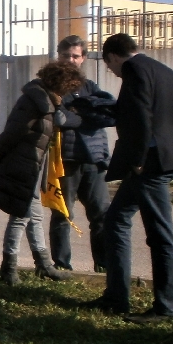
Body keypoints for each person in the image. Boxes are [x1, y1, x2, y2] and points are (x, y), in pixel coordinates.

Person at [84, 34, 173, 323]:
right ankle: (116, 296)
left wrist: (142, 159)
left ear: (112, 57)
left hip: (148, 165)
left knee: (160, 235)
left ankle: (166, 307)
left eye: (109, 67)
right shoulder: (167, 72)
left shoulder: (134, 69)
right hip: (162, 159)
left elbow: (141, 114)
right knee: (116, 219)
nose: (113, 72)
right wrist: (167, 149)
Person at [0, 61, 84, 285]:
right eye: (67, 88)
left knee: (34, 214)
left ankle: (44, 264)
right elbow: (12, 132)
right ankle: (9, 269)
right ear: (60, 84)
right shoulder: (36, 102)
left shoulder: (48, 101)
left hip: (33, 166)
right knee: (21, 216)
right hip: (22, 166)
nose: (67, 94)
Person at [49, 36, 115, 272]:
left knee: (101, 216)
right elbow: (58, 118)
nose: (70, 60)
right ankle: (62, 265)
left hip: (93, 159)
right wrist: (84, 115)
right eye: (66, 55)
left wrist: (76, 114)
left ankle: (104, 266)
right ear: (58, 56)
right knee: (63, 214)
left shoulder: (91, 87)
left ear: (83, 58)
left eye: (75, 56)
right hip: (66, 159)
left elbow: (108, 113)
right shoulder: (51, 86)